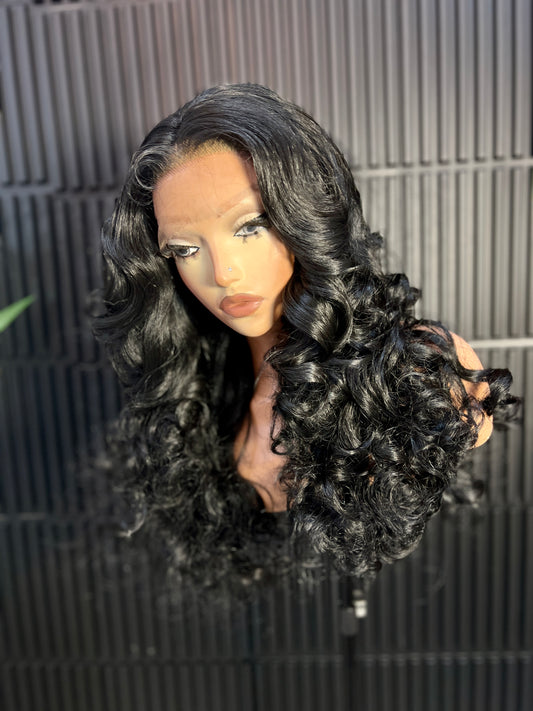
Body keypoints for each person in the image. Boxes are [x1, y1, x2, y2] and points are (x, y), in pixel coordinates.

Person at [94, 83, 515, 593]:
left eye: (250, 226)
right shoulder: (202, 383)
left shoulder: (417, 370)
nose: (223, 272)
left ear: (305, 216)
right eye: (185, 249)